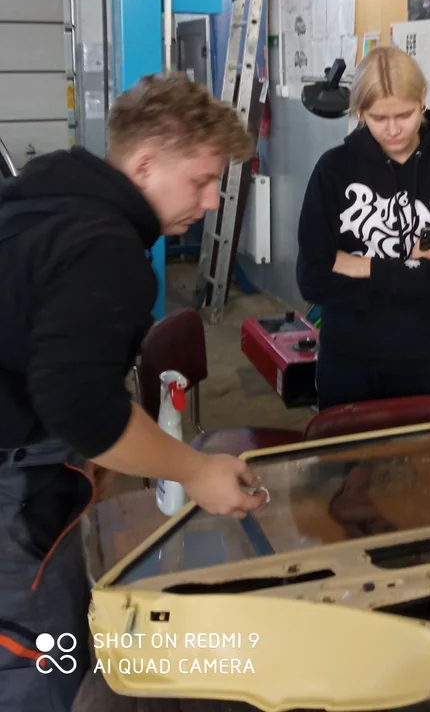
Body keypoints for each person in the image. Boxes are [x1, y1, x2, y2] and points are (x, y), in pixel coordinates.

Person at [0, 73, 268, 712]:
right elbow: (83, 408)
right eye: (201, 181)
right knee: (38, 659)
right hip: (14, 489)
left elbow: (44, 354)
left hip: (27, 442)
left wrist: (89, 451)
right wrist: (195, 469)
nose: (211, 202)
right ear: (145, 163)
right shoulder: (106, 249)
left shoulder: (43, 194)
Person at [296, 46, 430, 410]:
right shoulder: (333, 170)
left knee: (426, 449)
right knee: (349, 449)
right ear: (360, 111)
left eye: (405, 114)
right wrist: (414, 270)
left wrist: (361, 265)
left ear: (423, 98)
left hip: (428, 357)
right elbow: (313, 279)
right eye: (379, 118)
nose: (394, 129)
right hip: (349, 359)